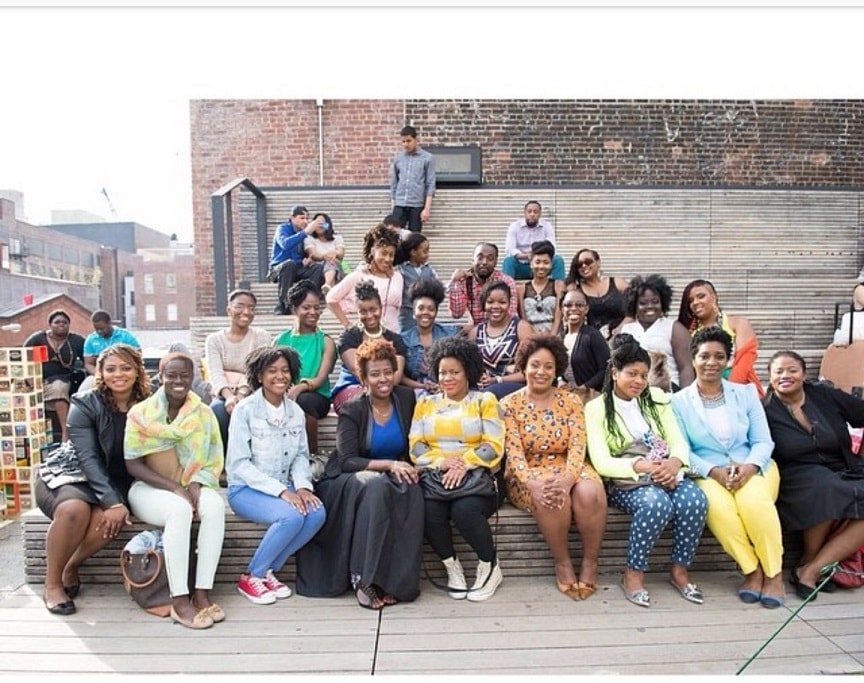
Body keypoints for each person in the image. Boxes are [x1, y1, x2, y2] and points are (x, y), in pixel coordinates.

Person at [296, 339, 424, 610]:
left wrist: (413, 466)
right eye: (375, 374)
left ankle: (394, 581)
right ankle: (363, 578)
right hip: (348, 478)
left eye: (388, 371)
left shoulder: (405, 398)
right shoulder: (352, 409)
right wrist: (390, 466)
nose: (383, 379)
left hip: (388, 472)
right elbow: (347, 460)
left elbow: (414, 443)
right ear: (363, 378)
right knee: (377, 487)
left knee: (411, 488)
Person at [584, 334, 708, 609]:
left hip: (665, 470)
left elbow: (677, 440)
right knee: (656, 504)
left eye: (643, 375)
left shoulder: (657, 398)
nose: (639, 381)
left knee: (694, 501)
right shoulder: (596, 409)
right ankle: (634, 573)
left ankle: (679, 570)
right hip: (627, 480)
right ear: (615, 373)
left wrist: (674, 462)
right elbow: (602, 461)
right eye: (631, 374)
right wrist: (642, 467)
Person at [35, 343, 151, 615]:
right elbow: (87, 458)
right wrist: (112, 501)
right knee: (74, 509)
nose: (118, 374)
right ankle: (52, 584)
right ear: (100, 372)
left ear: (137, 371)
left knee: (105, 520)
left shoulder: (149, 403)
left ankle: (70, 565)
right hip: (70, 473)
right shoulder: (85, 402)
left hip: (117, 478)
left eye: (126, 367)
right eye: (110, 369)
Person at [671, 327, 783, 607]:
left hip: (754, 466)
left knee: (754, 504)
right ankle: (752, 570)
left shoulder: (745, 394)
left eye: (719, 356)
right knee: (719, 510)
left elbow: (763, 441)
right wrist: (714, 472)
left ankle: (774, 575)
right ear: (693, 358)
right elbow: (683, 449)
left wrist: (748, 468)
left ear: (727, 360)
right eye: (705, 356)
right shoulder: (678, 402)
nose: (712, 362)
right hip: (708, 471)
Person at [501, 335, 608, 601]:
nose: (541, 372)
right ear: (524, 366)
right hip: (528, 473)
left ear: (557, 369)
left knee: (589, 492)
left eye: (549, 366)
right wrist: (530, 481)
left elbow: (577, 444)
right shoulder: (509, 405)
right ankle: (562, 562)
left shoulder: (571, 400)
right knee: (551, 494)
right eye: (535, 365)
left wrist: (570, 476)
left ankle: (590, 561)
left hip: (569, 466)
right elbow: (513, 453)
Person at [124, 351, 225, 629]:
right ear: (161, 377)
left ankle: (202, 594)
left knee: (215, 507)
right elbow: (132, 464)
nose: (178, 380)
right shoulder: (140, 414)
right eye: (172, 375)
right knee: (180, 510)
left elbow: (214, 457)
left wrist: (194, 483)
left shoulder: (203, 413)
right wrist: (174, 488)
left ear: (194, 377)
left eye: (184, 375)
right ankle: (180, 602)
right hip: (148, 488)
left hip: (191, 481)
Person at [225, 345, 326, 606]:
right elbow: (238, 465)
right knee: (290, 515)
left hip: (286, 485)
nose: (280, 376)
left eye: (285, 371)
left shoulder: (295, 412)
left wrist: (303, 487)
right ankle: (252, 575)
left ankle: (269, 571)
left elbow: (301, 456)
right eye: (272, 371)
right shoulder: (244, 411)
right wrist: (282, 492)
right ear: (259, 376)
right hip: (245, 489)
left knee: (316, 512)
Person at [409, 336, 505, 602]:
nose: (447, 378)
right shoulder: (426, 403)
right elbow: (416, 447)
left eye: (454, 372)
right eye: (442, 372)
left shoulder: (484, 400)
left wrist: (464, 463)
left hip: (477, 477)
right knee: (429, 511)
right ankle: (452, 567)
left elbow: (494, 445)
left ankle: (490, 566)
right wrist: (441, 463)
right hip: (436, 477)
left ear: (468, 372)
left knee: (464, 510)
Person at [762, 350, 864, 598]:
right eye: (779, 372)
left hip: (842, 467)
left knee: (836, 485)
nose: (785, 376)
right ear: (770, 378)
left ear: (804, 374)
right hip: (796, 475)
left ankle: (812, 568)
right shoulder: (764, 410)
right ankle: (810, 566)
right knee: (824, 487)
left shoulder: (824, 395)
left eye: (792, 370)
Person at [272, 281, 337, 454]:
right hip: (283, 394)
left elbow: (320, 379)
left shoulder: (325, 341)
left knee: (303, 401)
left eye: (317, 308)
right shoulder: (281, 341)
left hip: (316, 398)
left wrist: (299, 388)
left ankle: (311, 456)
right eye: (306, 307)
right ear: (294, 309)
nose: (313, 312)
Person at [205, 289, 272, 452]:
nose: (246, 312)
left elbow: (258, 370)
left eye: (251, 308)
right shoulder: (214, 340)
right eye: (240, 306)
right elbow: (215, 372)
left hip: (253, 392)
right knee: (218, 410)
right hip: (223, 393)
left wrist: (241, 394)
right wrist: (229, 397)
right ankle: (224, 461)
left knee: (250, 409)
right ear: (229, 310)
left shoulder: (261, 336)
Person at [330, 280, 408, 414]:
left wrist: (383, 389)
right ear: (357, 312)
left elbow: (396, 376)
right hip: (352, 387)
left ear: (381, 308)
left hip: (388, 388)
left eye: (373, 309)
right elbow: (358, 371)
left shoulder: (395, 339)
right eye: (363, 311)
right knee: (363, 400)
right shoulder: (349, 337)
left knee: (407, 398)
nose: (369, 316)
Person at [677, 279, 763, 395]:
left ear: (713, 297)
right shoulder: (687, 333)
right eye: (690, 300)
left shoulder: (737, 323)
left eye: (701, 296)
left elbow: (745, 359)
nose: (695, 303)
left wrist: (729, 391)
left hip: (741, 391)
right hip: (704, 394)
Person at [620, 274, 695, 391]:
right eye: (643, 303)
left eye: (655, 302)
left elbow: (686, 368)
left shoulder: (674, 328)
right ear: (634, 305)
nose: (650, 306)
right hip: (634, 392)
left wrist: (685, 398)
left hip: (668, 392)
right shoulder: (627, 330)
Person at [326, 222, 404, 332]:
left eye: (391, 255)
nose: (387, 259)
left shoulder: (398, 277)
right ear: (373, 251)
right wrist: (348, 325)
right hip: (365, 336)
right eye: (383, 253)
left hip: (392, 335)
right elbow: (331, 298)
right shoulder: (359, 276)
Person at [24, 309, 86, 442]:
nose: (61, 324)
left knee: (58, 387)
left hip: (65, 379)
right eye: (57, 322)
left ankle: (66, 433)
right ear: (50, 324)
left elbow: (88, 359)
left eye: (64, 322)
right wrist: (28, 377)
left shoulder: (76, 340)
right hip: (40, 379)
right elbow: (23, 356)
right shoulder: (38, 338)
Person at [467, 280, 532, 399]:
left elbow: (530, 371)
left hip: (512, 386)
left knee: (488, 395)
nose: (496, 306)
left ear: (509, 304)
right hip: (482, 388)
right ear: (483, 304)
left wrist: (497, 380)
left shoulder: (521, 327)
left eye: (502, 302)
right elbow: (470, 368)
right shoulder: (475, 332)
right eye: (490, 302)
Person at [400, 278, 459, 396]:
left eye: (431, 309)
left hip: (448, 385)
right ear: (413, 312)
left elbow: (459, 369)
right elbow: (401, 377)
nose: (425, 312)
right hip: (416, 389)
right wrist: (423, 386)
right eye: (421, 308)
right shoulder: (403, 339)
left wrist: (443, 385)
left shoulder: (449, 334)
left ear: (436, 312)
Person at [268, 205, 326, 314]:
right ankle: (284, 304)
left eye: (307, 218)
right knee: (289, 264)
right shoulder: (283, 229)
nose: (305, 221)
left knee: (318, 268)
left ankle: (307, 302)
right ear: (292, 218)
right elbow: (285, 244)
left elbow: (303, 252)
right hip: (279, 269)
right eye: (302, 218)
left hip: (297, 267)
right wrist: (305, 232)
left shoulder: (303, 233)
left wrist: (307, 259)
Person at [447, 242, 519, 327]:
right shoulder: (464, 282)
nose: (484, 262)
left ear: (496, 262)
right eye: (480, 257)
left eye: (490, 259)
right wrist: (455, 282)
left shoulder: (507, 282)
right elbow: (456, 314)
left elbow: (510, 314)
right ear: (473, 260)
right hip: (474, 330)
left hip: (502, 328)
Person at [559, 287, 609, 402]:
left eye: (579, 305)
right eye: (568, 305)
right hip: (568, 398)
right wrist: (560, 379)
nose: (573, 308)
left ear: (586, 309)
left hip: (592, 398)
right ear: (562, 308)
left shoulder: (593, 336)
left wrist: (584, 387)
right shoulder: (561, 337)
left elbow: (606, 369)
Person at [565, 249, 629, 339]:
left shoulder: (617, 283)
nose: (584, 266)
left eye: (588, 262)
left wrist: (621, 328)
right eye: (579, 265)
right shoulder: (577, 291)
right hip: (593, 342)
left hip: (624, 338)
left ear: (598, 262)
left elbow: (637, 306)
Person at [501, 200, 566, 281]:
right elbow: (510, 250)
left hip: (541, 264)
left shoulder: (547, 226)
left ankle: (560, 290)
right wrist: (526, 256)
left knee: (558, 260)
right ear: (524, 213)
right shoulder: (514, 226)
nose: (532, 214)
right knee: (508, 261)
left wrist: (536, 257)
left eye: (535, 212)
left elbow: (551, 248)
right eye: (529, 211)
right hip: (522, 265)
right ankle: (505, 290)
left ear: (540, 214)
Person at [389, 124, 436, 232]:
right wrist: (393, 206)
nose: (406, 144)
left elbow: (430, 184)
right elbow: (394, 184)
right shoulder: (398, 159)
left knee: (414, 238)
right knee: (394, 236)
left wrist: (426, 209)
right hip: (400, 203)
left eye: (409, 141)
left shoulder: (427, 158)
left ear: (415, 139)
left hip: (417, 205)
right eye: (403, 141)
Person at [517, 240, 565, 335]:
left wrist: (551, 337)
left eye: (546, 262)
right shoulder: (521, 289)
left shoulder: (558, 285)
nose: (541, 266)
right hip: (531, 337)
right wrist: (534, 337)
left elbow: (558, 319)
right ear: (530, 263)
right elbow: (523, 319)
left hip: (554, 337)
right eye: (537, 262)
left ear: (551, 264)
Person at [394, 232, 439, 333]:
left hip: (425, 314)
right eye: (425, 251)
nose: (428, 254)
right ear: (413, 252)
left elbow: (440, 287)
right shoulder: (400, 270)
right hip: (407, 315)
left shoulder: (429, 270)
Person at [82, 310, 140, 377]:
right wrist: (99, 375)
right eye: (96, 329)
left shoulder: (125, 336)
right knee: (85, 387)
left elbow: (138, 357)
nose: (99, 331)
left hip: (124, 373)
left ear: (109, 323)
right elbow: (88, 364)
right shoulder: (91, 339)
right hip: (99, 374)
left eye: (102, 328)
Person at [303, 211, 346, 295]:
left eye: (322, 222)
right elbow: (313, 254)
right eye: (317, 222)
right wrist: (324, 256)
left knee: (332, 263)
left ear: (328, 224)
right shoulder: (309, 239)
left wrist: (335, 253)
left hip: (337, 266)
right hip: (318, 269)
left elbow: (341, 253)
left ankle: (327, 285)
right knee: (330, 264)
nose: (320, 225)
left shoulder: (337, 238)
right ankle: (328, 287)